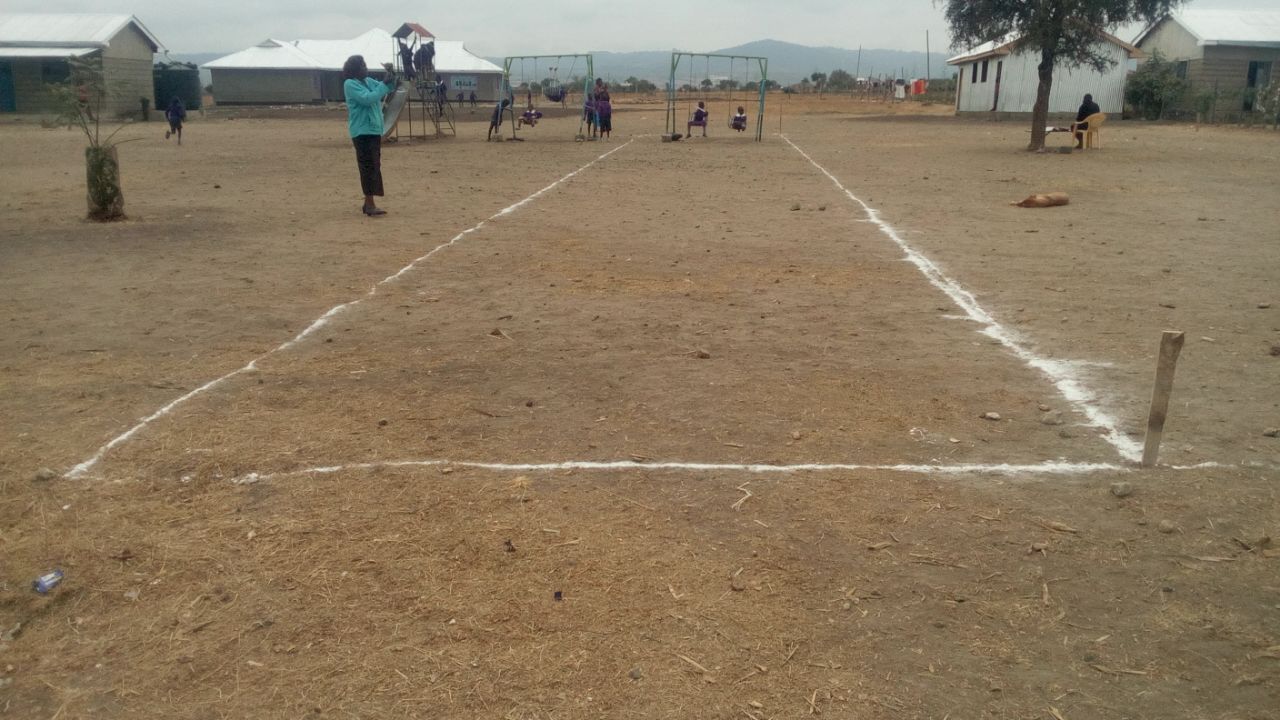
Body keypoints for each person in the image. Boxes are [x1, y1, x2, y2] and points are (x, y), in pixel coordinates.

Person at [342, 55, 395, 216]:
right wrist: (384, 84)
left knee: (374, 166)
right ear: (355, 69)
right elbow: (367, 98)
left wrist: (391, 75)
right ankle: (370, 203)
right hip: (362, 131)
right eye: (362, 66)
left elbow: (387, 88)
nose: (366, 68)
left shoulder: (368, 81)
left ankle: (368, 202)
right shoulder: (350, 84)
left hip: (373, 130)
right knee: (367, 167)